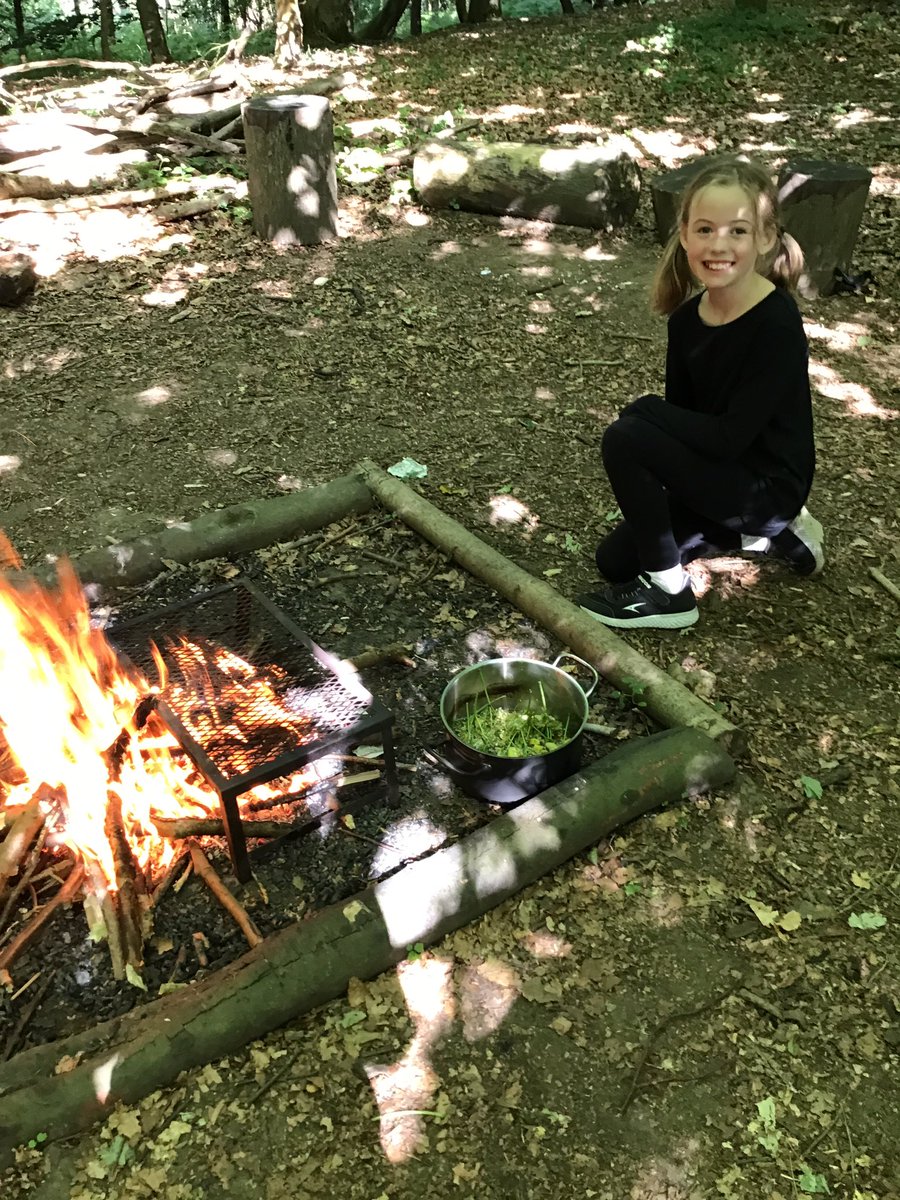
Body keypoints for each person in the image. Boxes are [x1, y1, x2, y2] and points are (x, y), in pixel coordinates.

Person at [576, 155, 824, 630]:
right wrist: (664, 491)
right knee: (615, 561)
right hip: (720, 474)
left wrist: (646, 414)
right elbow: (686, 425)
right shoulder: (687, 322)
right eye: (705, 229)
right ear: (685, 235)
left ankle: (672, 595)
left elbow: (729, 437)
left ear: (765, 239)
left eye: (738, 231)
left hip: (766, 489)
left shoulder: (776, 324)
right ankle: (767, 540)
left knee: (626, 437)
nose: (719, 244)